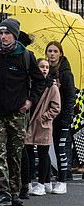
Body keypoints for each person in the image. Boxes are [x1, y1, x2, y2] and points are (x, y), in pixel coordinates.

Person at [0, 18, 44, 206]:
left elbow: (40, 80)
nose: (3, 37)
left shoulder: (25, 56)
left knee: (15, 154)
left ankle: (15, 191)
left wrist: (30, 100)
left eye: (7, 33)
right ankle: (2, 191)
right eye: (1, 33)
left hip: (17, 113)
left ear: (15, 34)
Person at [25, 58, 61, 196]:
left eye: (46, 67)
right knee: (28, 153)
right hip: (29, 122)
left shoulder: (52, 86)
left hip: (42, 124)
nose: (44, 69)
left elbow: (56, 107)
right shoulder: (30, 84)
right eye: (41, 66)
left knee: (43, 153)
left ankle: (42, 183)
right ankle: (27, 182)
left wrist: (45, 117)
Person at [45, 41, 76, 193]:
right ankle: (45, 180)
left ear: (60, 54)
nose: (52, 54)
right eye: (49, 51)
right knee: (44, 149)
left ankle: (62, 180)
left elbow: (70, 97)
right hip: (47, 117)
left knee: (61, 148)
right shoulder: (44, 71)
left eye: (55, 51)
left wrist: (67, 117)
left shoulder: (66, 74)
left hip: (62, 117)